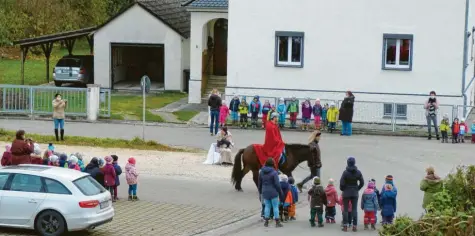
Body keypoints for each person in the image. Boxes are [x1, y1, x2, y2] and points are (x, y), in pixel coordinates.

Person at [340, 157, 364, 232]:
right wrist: (357, 188)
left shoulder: (345, 172)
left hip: (346, 192)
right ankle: (354, 226)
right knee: (354, 209)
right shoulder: (358, 172)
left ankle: (345, 226)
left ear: (347, 163)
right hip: (354, 192)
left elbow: (341, 183)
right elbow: (362, 183)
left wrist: (343, 189)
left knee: (345, 209)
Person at [258, 158, 283, 228]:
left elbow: (259, 183)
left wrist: (260, 192)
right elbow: (277, 184)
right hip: (273, 192)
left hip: (265, 191)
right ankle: (277, 222)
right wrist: (280, 192)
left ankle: (266, 222)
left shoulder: (261, 172)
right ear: (273, 164)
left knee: (267, 206)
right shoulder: (274, 172)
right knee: (275, 206)